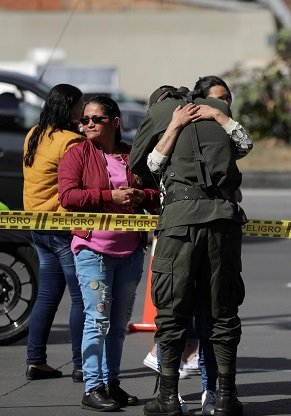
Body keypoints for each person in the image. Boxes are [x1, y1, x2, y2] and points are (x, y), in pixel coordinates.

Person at [130, 83, 248, 416]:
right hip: (222, 222)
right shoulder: (219, 112)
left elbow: (141, 166)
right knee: (222, 311)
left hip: (179, 224)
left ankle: (168, 397)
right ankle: (225, 397)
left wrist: (170, 132)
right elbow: (242, 150)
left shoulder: (159, 114)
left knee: (171, 312)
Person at [58, 96, 160, 412]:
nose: (88, 124)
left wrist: (139, 194)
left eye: (96, 119)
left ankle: (110, 383)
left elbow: (157, 194)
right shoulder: (76, 154)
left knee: (117, 325)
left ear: (115, 123)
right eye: (84, 119)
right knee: (97, 320)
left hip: (129, 252)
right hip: (92, 250)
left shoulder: (134, 155)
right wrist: (109, 195)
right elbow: (68, 196)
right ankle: (92, 387)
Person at [22, 83, 86, 382]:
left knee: (47, 296)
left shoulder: (33, 135)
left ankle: (36, 361)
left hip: (37, 226)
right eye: (80, 105)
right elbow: (78, 185)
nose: (83, 110)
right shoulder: (70, 141)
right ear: (69, 106)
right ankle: (81, 365)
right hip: (62, 228)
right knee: (80, 298)